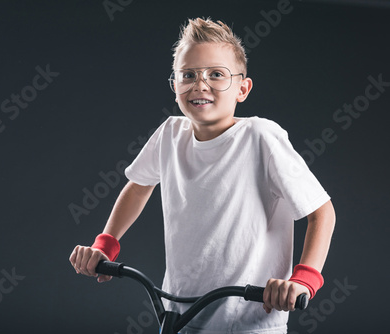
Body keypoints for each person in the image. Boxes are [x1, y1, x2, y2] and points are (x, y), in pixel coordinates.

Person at [69, 17, 336, 334]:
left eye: (216, 74)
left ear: (242, 88)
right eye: (188, 75)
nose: (200, 84)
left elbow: (322, 212)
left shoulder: (261, 137)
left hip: (249, 318)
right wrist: (106, 244)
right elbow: (138, 187)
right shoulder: (170, 133)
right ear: (175, 86)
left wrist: (304, 279)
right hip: (180, 313)